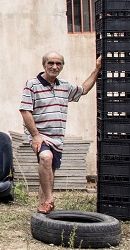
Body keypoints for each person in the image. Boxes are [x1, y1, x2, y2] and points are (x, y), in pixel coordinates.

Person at [20, 51, 102, 214]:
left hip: (57, 137)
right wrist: (36, 136)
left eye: (58, 64)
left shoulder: (64, 86)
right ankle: (50, 199)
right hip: (40, 135)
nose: (54, 67)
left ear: (62, 66)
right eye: (50, 63)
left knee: (49, 171)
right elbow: (25, 111)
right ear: (44, 65)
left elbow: (83, 90)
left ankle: (43, 207)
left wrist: (97, 69)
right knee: (45, 158)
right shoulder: (32, 84)